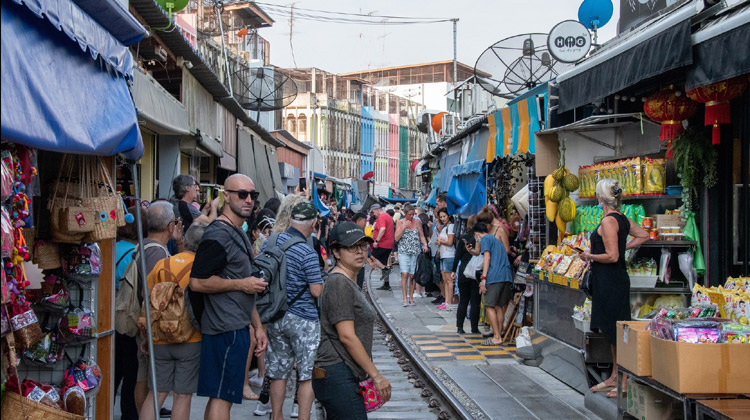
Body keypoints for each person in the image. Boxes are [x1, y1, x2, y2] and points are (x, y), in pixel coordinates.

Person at [189, 174, 268, 420]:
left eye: (252, 195)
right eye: (241, 194)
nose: (248, 200)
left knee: (222, 396)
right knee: (224, 397)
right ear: (226, 196)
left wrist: (257, 326)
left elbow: (247, 285)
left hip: (234, 326)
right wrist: (241, 283)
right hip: (225, 327)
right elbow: (198, 282)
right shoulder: (219, 235)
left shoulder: (237, 230)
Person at [313, 222, 391, 419]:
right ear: (336, 252)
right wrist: (377, 376)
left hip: (342, 372)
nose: (359, 252)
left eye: (363, 246)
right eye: (351, 247)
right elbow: (347, 336)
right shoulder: (339, 282)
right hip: (337, 372)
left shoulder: (346, 281)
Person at [583, 179, 649, 398]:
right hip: (610, 280)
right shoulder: (621, 218)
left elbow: (612, 256)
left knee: (618, 332)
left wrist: (588, 256)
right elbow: (643, 235)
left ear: (600, 197)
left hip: (611, 280)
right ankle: (614, 376)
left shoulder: (610, 221)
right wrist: (624, 246)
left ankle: (624, 380)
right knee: (612, 331)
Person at [139, 222, 207, 420]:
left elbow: (146, 295)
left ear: (185, 241)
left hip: (160, 336)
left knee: (156, 393)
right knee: (182, 396)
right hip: (190, 338)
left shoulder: (163, 264)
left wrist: (146, 335)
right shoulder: (202, 269)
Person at [264, 202, 324, 420]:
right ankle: (303, 418)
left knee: (278, 372)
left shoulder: (270, 243)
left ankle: (277, 416)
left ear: (290, 220)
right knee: (306, 374)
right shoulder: (307, 252)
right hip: (303, 319)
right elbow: (316, 291)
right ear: (314, 224)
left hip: (275, 315)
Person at [134, 201, 181, 416]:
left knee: (144, 378)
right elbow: (153, 295)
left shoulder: (143, 245)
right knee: (147, 379)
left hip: (141, 321)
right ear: (170, 226)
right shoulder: (157, 253)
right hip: (147, 325)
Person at [114, 206, 147, 420]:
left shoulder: (110, 248)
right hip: (127, 318)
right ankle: (129, 414)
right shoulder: (136, 254)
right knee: (131, 372)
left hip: (109, 317)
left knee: (113, 370)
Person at [470, 222, 513, 346]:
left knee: (489, 306)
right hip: (506, 276)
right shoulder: (496, 241)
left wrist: (483, 279)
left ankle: (496, 336)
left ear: (476, 234)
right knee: (499, 306)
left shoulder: (486, 239)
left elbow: (487, 257)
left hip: (494, 276)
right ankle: (499, 333)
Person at [394, 204, 428, 307]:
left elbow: (421, 235)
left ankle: (411, 297)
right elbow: (396, 238)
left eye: (413, 214)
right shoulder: (400, 222)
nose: (411, 216)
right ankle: (404, 298)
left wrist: (425, 244)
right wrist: (404, 227)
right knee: (405, 274)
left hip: (415, 251)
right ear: (405, 214)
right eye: (409, 214)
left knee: (412, 275)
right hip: (403, 251)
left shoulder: (417, 222)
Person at [453, 216, 480, 334]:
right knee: (475, 301)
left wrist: (453, 271)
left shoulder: (463, 238)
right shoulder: (480, 239)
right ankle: (474, 328)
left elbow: (457, 256)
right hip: (476, 271)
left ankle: (460, 327)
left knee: (463, 300)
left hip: (464, 270)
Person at [435, 209, 456, 310]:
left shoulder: (451, 227)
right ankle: (446, 300)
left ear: (449, 216)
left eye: (444, 216)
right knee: (445, 279)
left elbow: (450, 242)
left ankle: (449, 301)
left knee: (449, 280)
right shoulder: (445, 227)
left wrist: (441, 241)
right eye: (441, 217)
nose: (442, 219)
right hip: (444, 255)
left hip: (449, 255)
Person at [371, 204, 395, 291]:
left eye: (373, 212)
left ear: (377, 210)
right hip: (389, 243)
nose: (374, 214)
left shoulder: (382, 217)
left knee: (371, 257)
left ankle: (385, 270)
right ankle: (386, 284)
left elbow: (383, 229)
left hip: (382, 243)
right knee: (383, 262)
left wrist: (376, 241)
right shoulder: (388, 216)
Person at [353, 212, 368, 290]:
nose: (365, 223)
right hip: (357, 260)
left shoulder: (360, 230)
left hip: (358, 260)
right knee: (358, 282)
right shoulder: (357, 232)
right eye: (364, 221)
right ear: (358, 221)